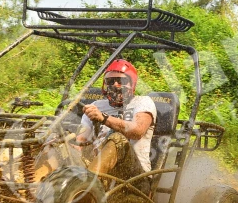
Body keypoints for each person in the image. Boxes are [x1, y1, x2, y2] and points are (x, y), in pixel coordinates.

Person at [33, 59, 157, 188]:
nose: (115, 85)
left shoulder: (143, 102)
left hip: (133, 180)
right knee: (58, 142)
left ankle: (86, 188)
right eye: (110, 81)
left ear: (132, 84)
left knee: (118, 138)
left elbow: (137, 131)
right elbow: (80, 141)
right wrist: (65, 145)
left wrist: (103, 118)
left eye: (121, 81)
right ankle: (32, 189)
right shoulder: (96, 106)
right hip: (98, 176)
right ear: (104, 85)